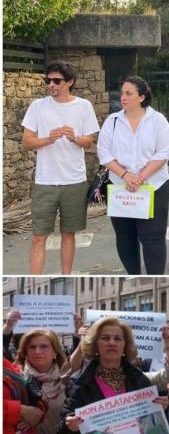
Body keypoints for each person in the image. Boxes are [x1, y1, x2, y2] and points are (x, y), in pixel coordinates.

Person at [21, 61, 100, 275]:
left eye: (57, 80)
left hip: (74, 181)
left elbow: (89, 142)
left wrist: (74, 137)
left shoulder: (83, 106)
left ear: (70, 82)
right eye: (48, 80)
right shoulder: (38, 106)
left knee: (68, 234)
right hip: (45, 181)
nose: (51, 85)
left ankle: (66, 277)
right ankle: (34, 281)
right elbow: (27, 142)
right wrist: (48, 139)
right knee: (39, 237)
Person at [96, 76, 169, 275]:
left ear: (141, 97)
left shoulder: (157, 121)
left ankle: (155, 277)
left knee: (153, 237)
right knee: (125, 237)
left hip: (154, 186)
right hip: (120, 186)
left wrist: (140, 177)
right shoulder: (112, 121)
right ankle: (134, 275)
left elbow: (164, 153)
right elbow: (104, 153)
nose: (123, 97)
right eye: (122, 93)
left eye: (128, 93)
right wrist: (125, 175)